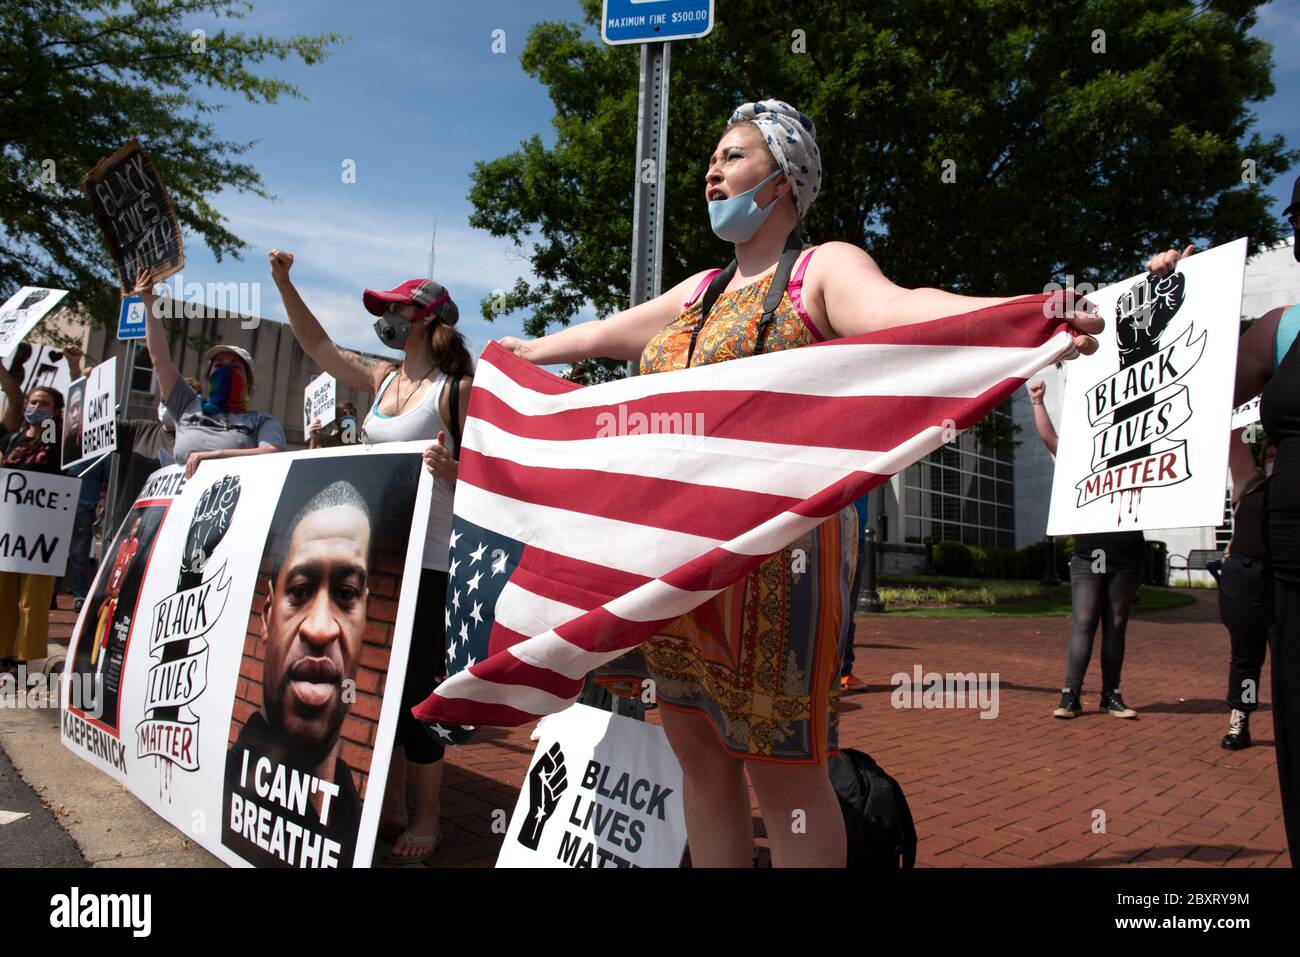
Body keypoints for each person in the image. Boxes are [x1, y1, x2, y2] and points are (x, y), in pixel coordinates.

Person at [496, 99, 1103, 867]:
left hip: (781, 566)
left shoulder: (823, 269)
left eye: (733, 156)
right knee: (700, 761)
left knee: (785, 774)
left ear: (784, 180)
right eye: (712, 159)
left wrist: (1027, 315)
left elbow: (906, 311)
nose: (712, 170)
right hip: (679, 562)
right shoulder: (699, 292)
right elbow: (606, 333)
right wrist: (529, 351)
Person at [268, 249, 473, 865]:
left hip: (432, 565)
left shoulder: (455, 392)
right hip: (380, 565)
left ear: (427, 318)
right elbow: (320, 348)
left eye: (395, 308)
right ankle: (383, 806)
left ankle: (429, 813)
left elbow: (495, 481)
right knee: (376, 690)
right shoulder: (382, 378)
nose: (384, 316)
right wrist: (285, 283)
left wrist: (453, 471)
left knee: (420, 699)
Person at [1158, 175, 1300, 863]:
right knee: (1270, 684)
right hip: (1277, 567)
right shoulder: (1284, 328)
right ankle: (1243, 719)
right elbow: (1199, 385)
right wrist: (1179, 299)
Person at [222, 480, 370, 867]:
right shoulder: (220, 796)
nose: (320, 628)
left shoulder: (352, 810)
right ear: (267, 615)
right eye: (300, 591)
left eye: (347, 594)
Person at [1028, 377, 1144, 720]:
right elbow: (1051, 439)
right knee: (1084, 620)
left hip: (1127, 552)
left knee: (1117, 623)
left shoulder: (1138, 460)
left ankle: (1111, 695)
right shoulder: (1083, 459)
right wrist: (1037, 402)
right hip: (1092, 551)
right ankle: (1070, 695)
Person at [133, 269, 286, 480]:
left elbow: (272, 453)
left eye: (235, 366)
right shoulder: (186, 403)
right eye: (219, 364)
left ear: (248, 382)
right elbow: (159, 360)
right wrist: (150, 305)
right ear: (209, 374)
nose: (225, 369)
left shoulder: (260, 421)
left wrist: (215, 456)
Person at [0, 363, 65, 672]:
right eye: (34, 402)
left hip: (42, 533)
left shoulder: (56, 441)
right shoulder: (14, 440)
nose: (38, 407)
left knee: (32, 599)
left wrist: (78, 370)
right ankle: (2, 656)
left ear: (56, 412)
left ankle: (23, 661)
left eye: (45, 404)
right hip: (8, 531)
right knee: (3, 594)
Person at [1216, 428, 1273, 749]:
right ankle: (1241, 719)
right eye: (1270, 453)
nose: (1275, 458)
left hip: (1284, 580)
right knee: (1246, 656)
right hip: (1245, 576)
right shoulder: (1250, 483)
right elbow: (1233, 435)